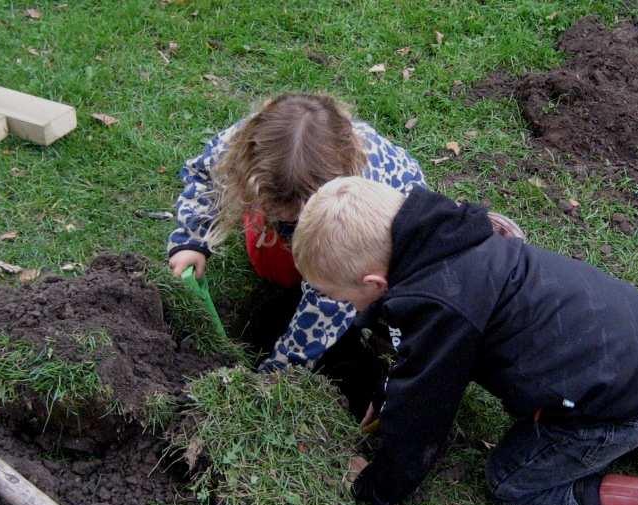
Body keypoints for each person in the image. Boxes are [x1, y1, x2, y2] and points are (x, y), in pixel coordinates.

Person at [291, 176, 638, 505]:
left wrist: (378, 486)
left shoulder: (440, 308)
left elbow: (422, 413)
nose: (349, 309)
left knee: (515, 479)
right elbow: (402, 344)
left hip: (617, 396)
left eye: (341, 297)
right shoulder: (450, 234)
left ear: (374, 281)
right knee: (611, 407)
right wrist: (381, 383)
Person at [166, 92, 526, 376]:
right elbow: (204, 177)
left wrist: (275, 371)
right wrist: (191, 241)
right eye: (272, 205)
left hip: (360, 240)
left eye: (293, 212)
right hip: (320, 222)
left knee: (344, 289)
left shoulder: (371, 190)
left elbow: (324, 309)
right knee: (270, 267)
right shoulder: (250, 144)